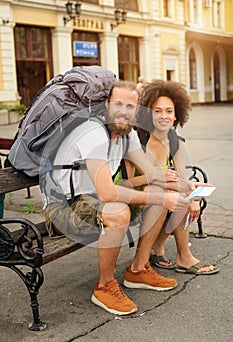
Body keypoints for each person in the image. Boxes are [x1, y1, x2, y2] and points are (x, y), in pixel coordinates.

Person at [43, 80, 194, 316]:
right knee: (119, 211)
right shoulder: (93, 133)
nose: (124, 112)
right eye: (118, 104)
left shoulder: (127, 134)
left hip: (94, 202)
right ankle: (104, 286)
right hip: (64, 207)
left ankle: (138, 269)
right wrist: (163, 198)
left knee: (159, 194)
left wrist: (186, 185)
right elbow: (108, 193)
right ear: (107, 105)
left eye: (130, 106)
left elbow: (153, 174)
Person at [124, 79, 220, 275]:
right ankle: (183, 256)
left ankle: (162, 249)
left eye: (169, 111)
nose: (163, 116)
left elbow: (181, 181)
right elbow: (125, 183)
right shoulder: (137, 140)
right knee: (169, 194)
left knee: (185, 198)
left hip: (160, 194)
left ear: (176, 114)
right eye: (157, 111)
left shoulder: (175, 142)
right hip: (133, 196)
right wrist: (155, 176)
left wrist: (195, 194)